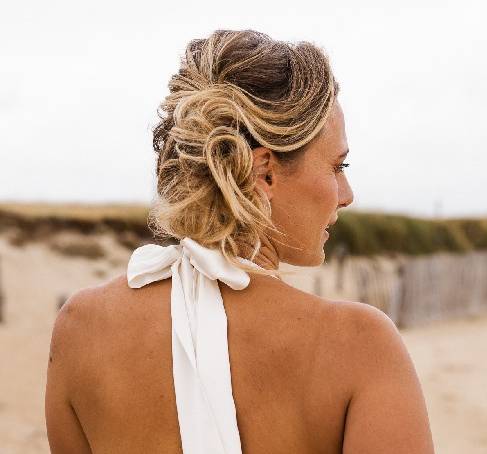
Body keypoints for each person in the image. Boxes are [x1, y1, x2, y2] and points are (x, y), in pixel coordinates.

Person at [45, 29, 434, 454]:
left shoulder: (80, 328)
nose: (347, 193)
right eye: (338, 166)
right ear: (264, 171)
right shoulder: (359, 347)